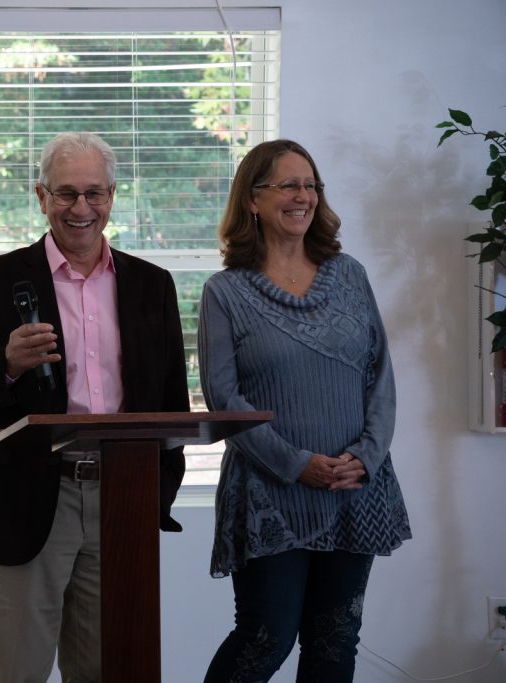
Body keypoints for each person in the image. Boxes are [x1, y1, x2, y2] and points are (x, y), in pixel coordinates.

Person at [0, 132, 190, 682]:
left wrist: (155, 495)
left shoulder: (152, 285)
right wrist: (6, 363)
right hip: (27, 501)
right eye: (67, 194)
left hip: (124, 498)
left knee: (112, 669)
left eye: (94, 193)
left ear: (112, 196)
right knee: (8, 673)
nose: (81, 208)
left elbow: (172, 401)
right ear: (41, 196)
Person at [197, 139, 412, 682]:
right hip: (270, 494)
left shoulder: (350, 275)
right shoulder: (225, 292)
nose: (303, 196)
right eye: (288, 185)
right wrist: (296, 465)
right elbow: (224, 399)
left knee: (335, 642)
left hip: (353, 489)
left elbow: (380, 376)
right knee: (266, 637)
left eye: (311, 185)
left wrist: (365, 457)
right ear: (252, 199)